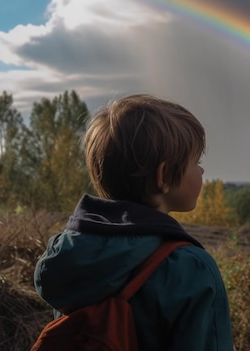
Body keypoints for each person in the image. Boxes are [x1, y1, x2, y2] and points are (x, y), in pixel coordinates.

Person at [34, 94, 235, 350]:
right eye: (196, 162)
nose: (202, 171)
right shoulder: (191, 269)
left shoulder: (69, 254)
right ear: (163, 177)